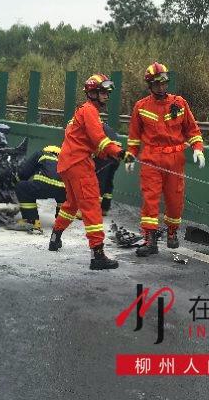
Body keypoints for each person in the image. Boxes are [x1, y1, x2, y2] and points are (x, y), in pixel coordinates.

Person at [49, 74, 133, 270]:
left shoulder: (82, 112)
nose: (106, 96)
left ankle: (55, 237)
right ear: (93, 92)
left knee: (72, 204)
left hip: (67, 164)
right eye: (103, 92)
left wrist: (110, 153)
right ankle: (98, 255)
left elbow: (91, 143)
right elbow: (99, 140)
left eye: (107, 92)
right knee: (92, 207)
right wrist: (119, 152)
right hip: (79, 165)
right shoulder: (89, 111)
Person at [125, 62, 205, 256]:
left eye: (164, 83)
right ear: (150, 85)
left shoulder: (179, 103)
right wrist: (130, 155)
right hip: (151, 159)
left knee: (175, 200)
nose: (161, 87)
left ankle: (171, 233)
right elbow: (134, 136)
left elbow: (192, 130)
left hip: (175, 159)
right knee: (150, 200)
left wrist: (198, 149)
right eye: (157, 84)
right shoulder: (141, 107)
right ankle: (149, 240)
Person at [6, 144, 66, 233]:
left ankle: (32, 221)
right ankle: (61, 223)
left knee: (22, 187)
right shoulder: (64, 159)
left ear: (47, 150)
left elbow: (25, 173)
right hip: (63, 190)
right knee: (63, 197)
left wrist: (15, 182)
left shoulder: (41, 154)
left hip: (43, 187)